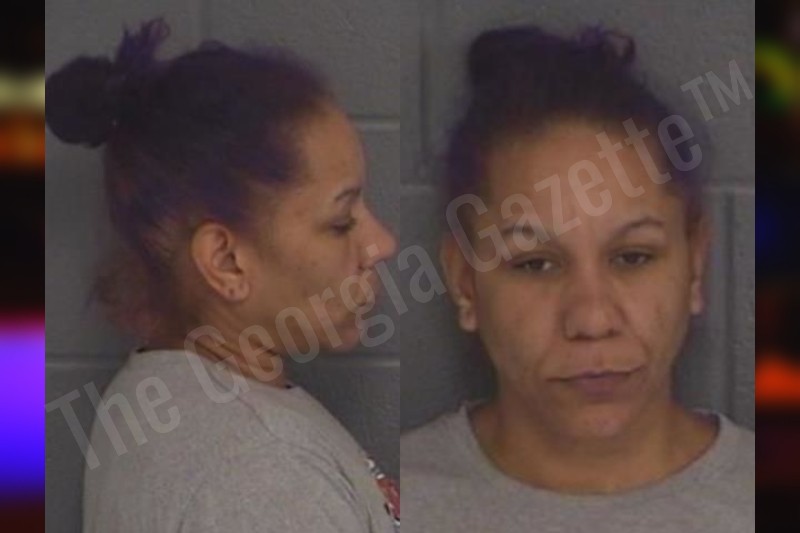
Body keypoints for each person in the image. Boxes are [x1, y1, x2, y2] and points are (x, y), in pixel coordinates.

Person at [46, 19, 399, 532]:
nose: (382, 244)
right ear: (226, 262)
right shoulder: (264, 481)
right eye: (341, 221)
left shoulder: (157, 389)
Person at [401, 25, 754, 532]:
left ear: (695, 266)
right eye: (535, 264)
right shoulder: (387, 503)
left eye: (633, 257)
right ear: (464, 283)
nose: (592, 320)